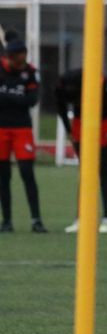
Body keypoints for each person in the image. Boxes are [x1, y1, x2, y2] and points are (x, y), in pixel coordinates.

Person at [56, 69, 107, 234]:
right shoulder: (61, 86)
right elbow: (60, 106)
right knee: (85, 171)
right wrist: (69, 129)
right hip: (81, 122)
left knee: (103, 168)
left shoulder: (103, 83)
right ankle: (81, 219)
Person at [0, 32, 45, 233]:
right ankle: (7, 221)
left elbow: (31, 101)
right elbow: (23, 99)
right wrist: (17, 98)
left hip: (22, 129)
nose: (22, 63)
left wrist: (6, 96)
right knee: (3, 176)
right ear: (9, 56)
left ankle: (36, 220)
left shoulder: (31, 73)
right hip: (1, 129)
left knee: (27, 173)